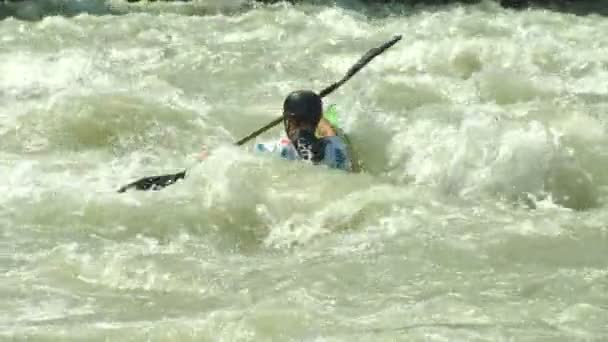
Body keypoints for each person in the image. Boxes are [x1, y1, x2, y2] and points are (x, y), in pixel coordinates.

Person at [255, 90, 353, 172]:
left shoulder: (275, 148)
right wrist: (316, 112)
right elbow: (330, 134)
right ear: (317, 120)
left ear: (290, 121)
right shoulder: (337, 148)